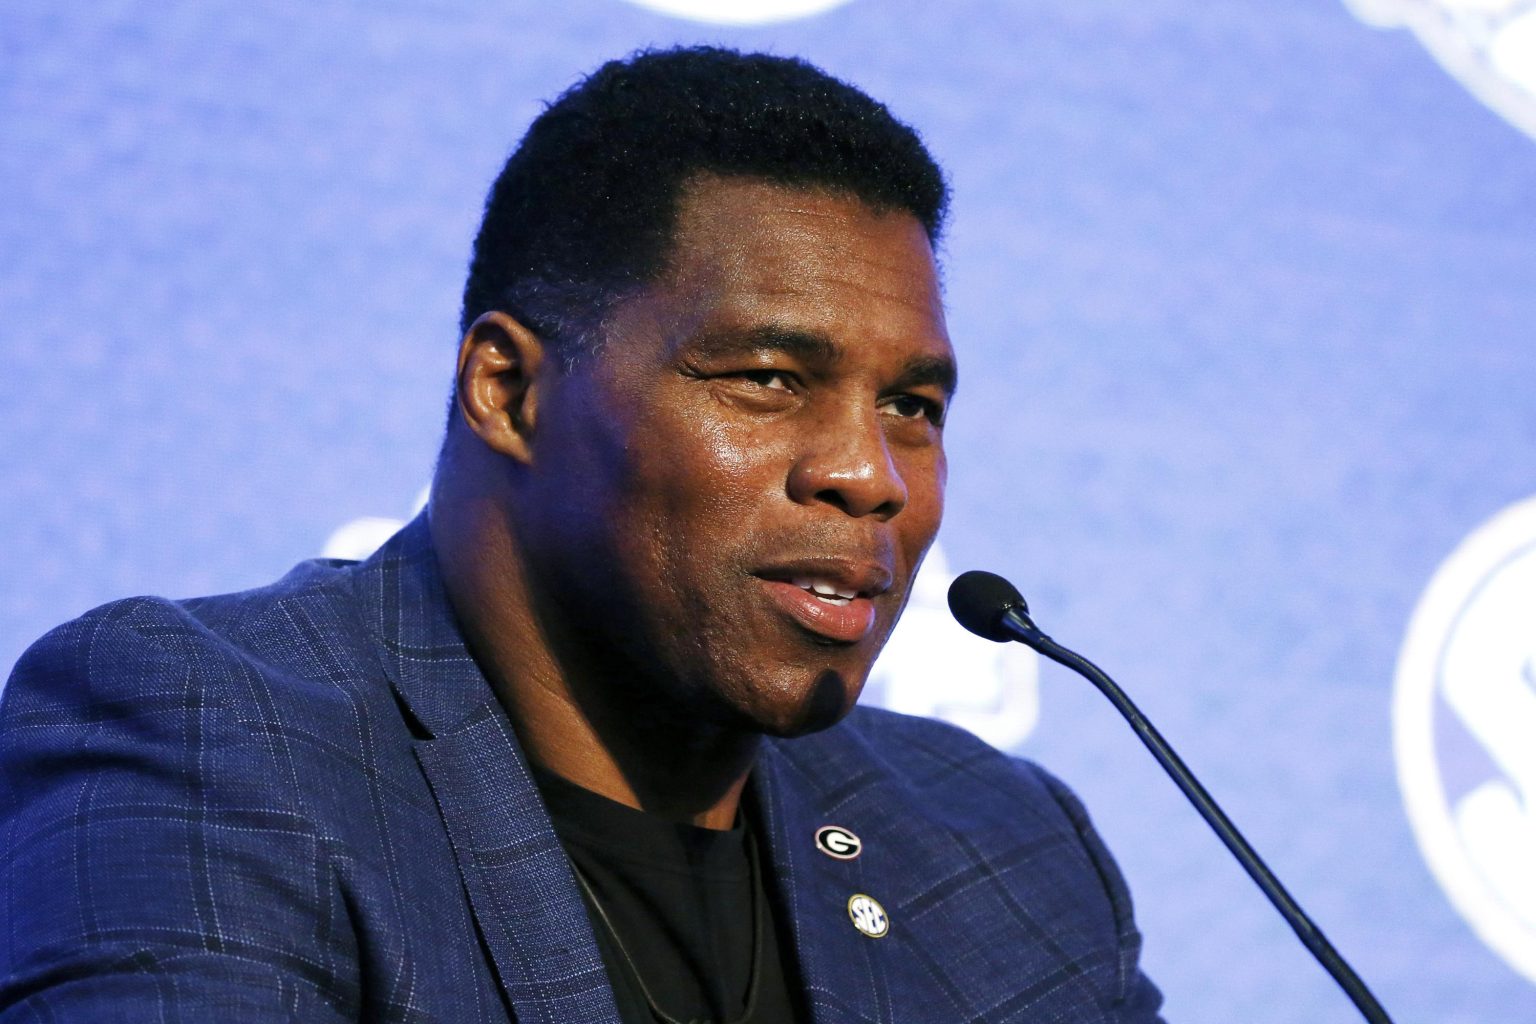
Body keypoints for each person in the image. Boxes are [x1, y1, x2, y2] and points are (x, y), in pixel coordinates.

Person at [0, 47, 1163, 1023]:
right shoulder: (205, 736)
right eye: (767, 377)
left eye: (912, 406)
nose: (870, 475)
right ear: (509, 392)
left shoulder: (1001, 848)